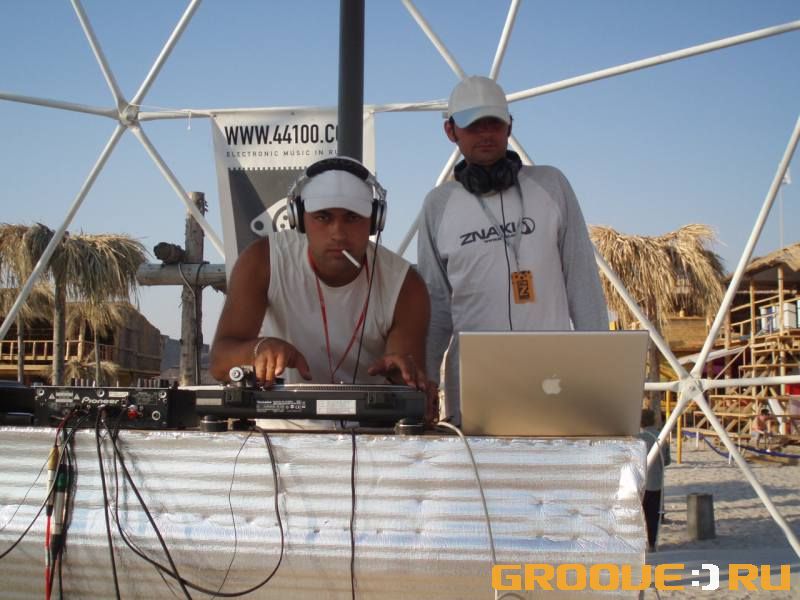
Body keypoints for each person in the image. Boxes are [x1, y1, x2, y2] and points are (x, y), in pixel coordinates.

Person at [416, 75, 608, 423]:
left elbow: (582, 280)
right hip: (474, 383)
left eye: (494, 123)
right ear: (451, 131)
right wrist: (426, 379)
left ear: (509, 126)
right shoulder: (438, 205)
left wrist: (599, 369)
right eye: (473, 126)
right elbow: (436, 303)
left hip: (553, 377)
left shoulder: (551, 185)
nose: (485, 134)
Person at [209, 156, 434, 427]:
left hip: (370, 436)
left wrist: (402, 376)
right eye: (323, 217)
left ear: (375, 221)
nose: (337, 233)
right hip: (278, 435)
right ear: (299, 219)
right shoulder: (263, 260)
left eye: (352, 217)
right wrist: (258, 349)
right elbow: (219, 362)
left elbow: (408, 388)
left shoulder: (405, 285)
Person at [637, 408, 670, 552]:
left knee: (639, 515)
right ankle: (652, 543)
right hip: (656, 483)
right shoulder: (661, 437)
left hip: (639, 484)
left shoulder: (637, 438)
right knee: (653, 516)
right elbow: (667, 461)